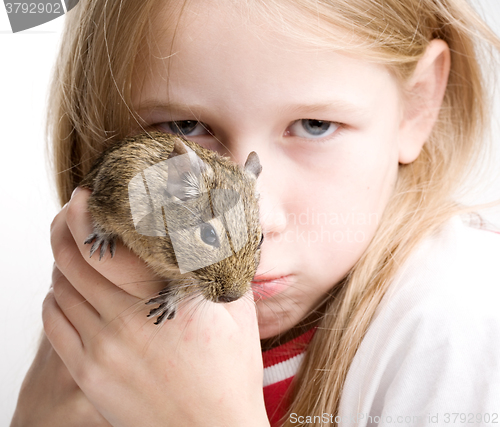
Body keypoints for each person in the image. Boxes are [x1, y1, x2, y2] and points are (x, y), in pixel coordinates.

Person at [10, 0, 500, 426]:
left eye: (314, 124)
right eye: (185, 125)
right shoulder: (107, 325)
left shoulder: (456, 332)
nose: (257, 220)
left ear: (415, 105)